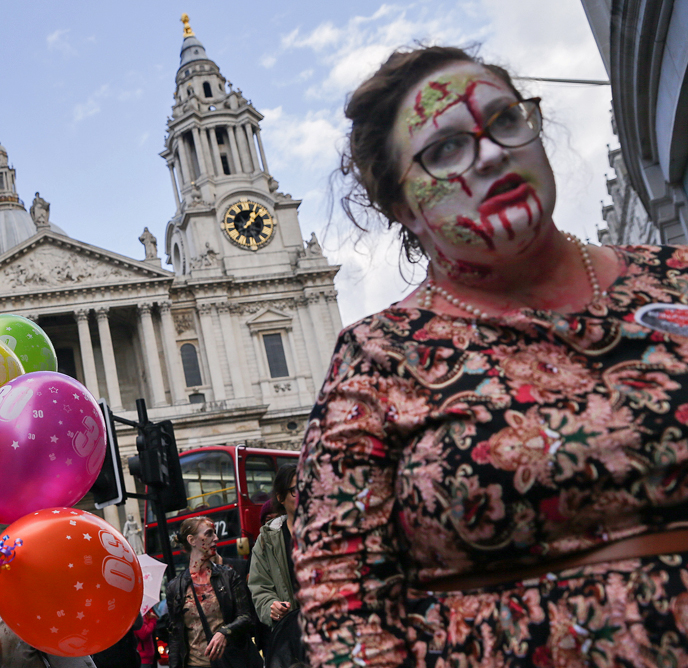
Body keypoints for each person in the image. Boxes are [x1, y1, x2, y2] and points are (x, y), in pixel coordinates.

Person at [294, 44, 688, 667]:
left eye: (506, 121)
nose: (492, 153)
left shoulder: (677, 284)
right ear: (401, 205)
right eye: (446, 149)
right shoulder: (376, 360)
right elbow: (342, 607)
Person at [166, 517, 258, 668]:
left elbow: (246, 617)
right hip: (196, 664)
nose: (216, 538)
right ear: (191, 540)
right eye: (209, 534)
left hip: (230, 662)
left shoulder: (229, 575)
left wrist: (225, 632)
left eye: (215, 533)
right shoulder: (175, 587)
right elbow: (175, 637)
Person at [247, 465, 304, 668]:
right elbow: (259, 587)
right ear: (280, 497)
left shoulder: (328, 529)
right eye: (295, 490)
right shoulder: (267, 540)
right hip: (291, 638)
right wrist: (271, 606)